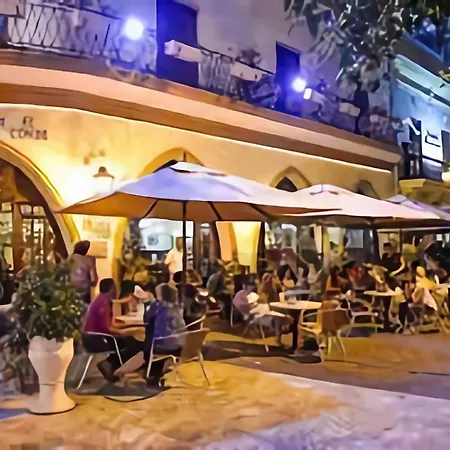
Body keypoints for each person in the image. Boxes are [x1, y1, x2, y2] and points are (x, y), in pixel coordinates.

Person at [82, 278, 143, 382]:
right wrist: (125, 332)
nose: (115, 291)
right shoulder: (102, 304)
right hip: (96, 339)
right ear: (110, 289)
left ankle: (110, 364)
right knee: (133, 342)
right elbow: (108, 328)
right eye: (114, 288)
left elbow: (110, 325)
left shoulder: (101, 300)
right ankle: (109, 363)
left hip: (95, 337)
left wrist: (128, 327)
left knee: (131, 340)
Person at [143, 283, 186, 384]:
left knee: (146, 343)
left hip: (166, 346)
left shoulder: (158, 307)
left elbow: (146, 319)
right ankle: (157, 371)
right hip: (180, 345)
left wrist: (149, 303)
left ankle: (152, 373)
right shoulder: (178, 307)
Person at [69, 240, 98, 304]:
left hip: (69, 293)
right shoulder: (88, 260)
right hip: (84, 294)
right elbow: (94, 280)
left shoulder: (67, 260)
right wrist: (93, 263)